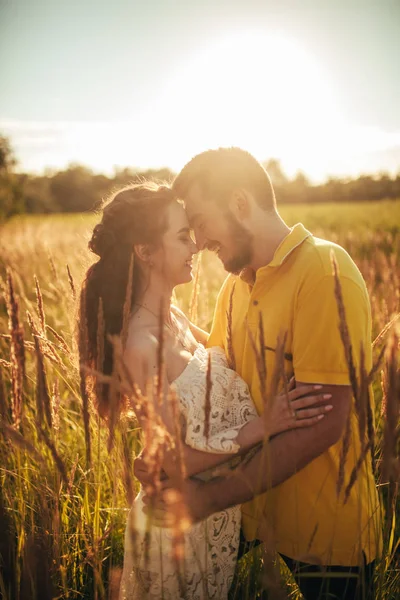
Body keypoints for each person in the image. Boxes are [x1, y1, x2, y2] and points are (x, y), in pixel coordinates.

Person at [141, 148, 382, 600]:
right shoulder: (235, 284)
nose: (197, 239)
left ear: (238, 203)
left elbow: (323, 427)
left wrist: (207, 500)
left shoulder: (325, 272)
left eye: (200, 220)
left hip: (324, 531)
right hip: (250, 515)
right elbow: (215, 371)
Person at [78, 181, 332, 600]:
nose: (195, 245)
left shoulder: (173, 317)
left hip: (210, 519)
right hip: (177, 527)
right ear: (145, 251)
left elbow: (226, 355)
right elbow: (168, 463)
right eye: (181, 236)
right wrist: (261, 427)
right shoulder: (141, 346)